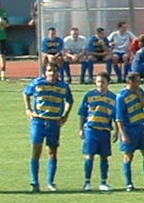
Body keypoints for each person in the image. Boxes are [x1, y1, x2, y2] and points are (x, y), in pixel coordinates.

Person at [24, 60, 73, 191]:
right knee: (36, 150)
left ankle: (50, 182)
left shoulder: (63, 86)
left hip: (54, 122)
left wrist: (65, 115)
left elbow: (70, 101)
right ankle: (35, 182)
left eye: (54, 71)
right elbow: (26, 93)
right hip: (39, 121)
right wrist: (28, 109)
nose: (52, 73)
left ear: (58, 73)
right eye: (49, 71)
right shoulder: (37, 83)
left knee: (52, 152)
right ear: (45, 72)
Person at [116, 71, 144, 190]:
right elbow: (118, 118)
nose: (139, 83)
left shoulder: (140, 91)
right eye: (137, 81)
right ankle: (129, 184)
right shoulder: (121, 96)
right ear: (130, 82)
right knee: (128, 156)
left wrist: (139, 95)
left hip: (140, 128)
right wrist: (123, 135)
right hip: (128, 129)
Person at [79, 71, 116, 191]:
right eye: (98, 81)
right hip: (91, 129)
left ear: (108, 83)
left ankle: (103, 182)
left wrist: (117, 132)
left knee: (104, 157)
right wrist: (81, 129)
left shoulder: (113, 98)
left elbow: (117, 117)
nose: (100, 84)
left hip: (105, 130)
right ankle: (87, 182)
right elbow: (82, 114)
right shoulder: (89, 95)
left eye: (103, 82)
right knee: (89, 156)